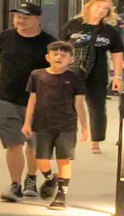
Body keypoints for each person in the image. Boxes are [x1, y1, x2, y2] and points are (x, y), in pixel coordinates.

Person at [0, 0, 54, 201]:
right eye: (17, 17)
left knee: (32, 144)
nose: (20, 20)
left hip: (37, 101)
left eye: (26, 17)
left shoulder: (49, 43)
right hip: (6, 99)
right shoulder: (2, 38)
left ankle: (31, 178)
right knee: (13, 144)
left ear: (38, 19)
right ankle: (15, 185)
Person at [23, 40, 86, 206]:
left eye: (64, 55)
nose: (59, 57)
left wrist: (85, 126)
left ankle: (61, 195)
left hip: (67, 125)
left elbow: (79, 103)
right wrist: (27, 123)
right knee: (41, 158)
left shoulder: (74, 77)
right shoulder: (37, 75)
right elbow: (32, 100)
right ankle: (50, 179)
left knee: (63, 159)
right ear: (47, 57)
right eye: (55, 54)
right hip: (42, 123)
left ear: (71, 59)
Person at [63, 0, 122, 149]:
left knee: (97, 105)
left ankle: (95, 140)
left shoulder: (109, 30)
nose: (101, 11)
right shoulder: (74, 24)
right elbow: (59, 46)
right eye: (98, 7)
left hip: (98, 71)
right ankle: (68, 135)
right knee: (68, 103)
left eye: (105, 9)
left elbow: (117, 53)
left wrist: (117, 76)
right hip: (73, 69)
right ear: (89, 7)